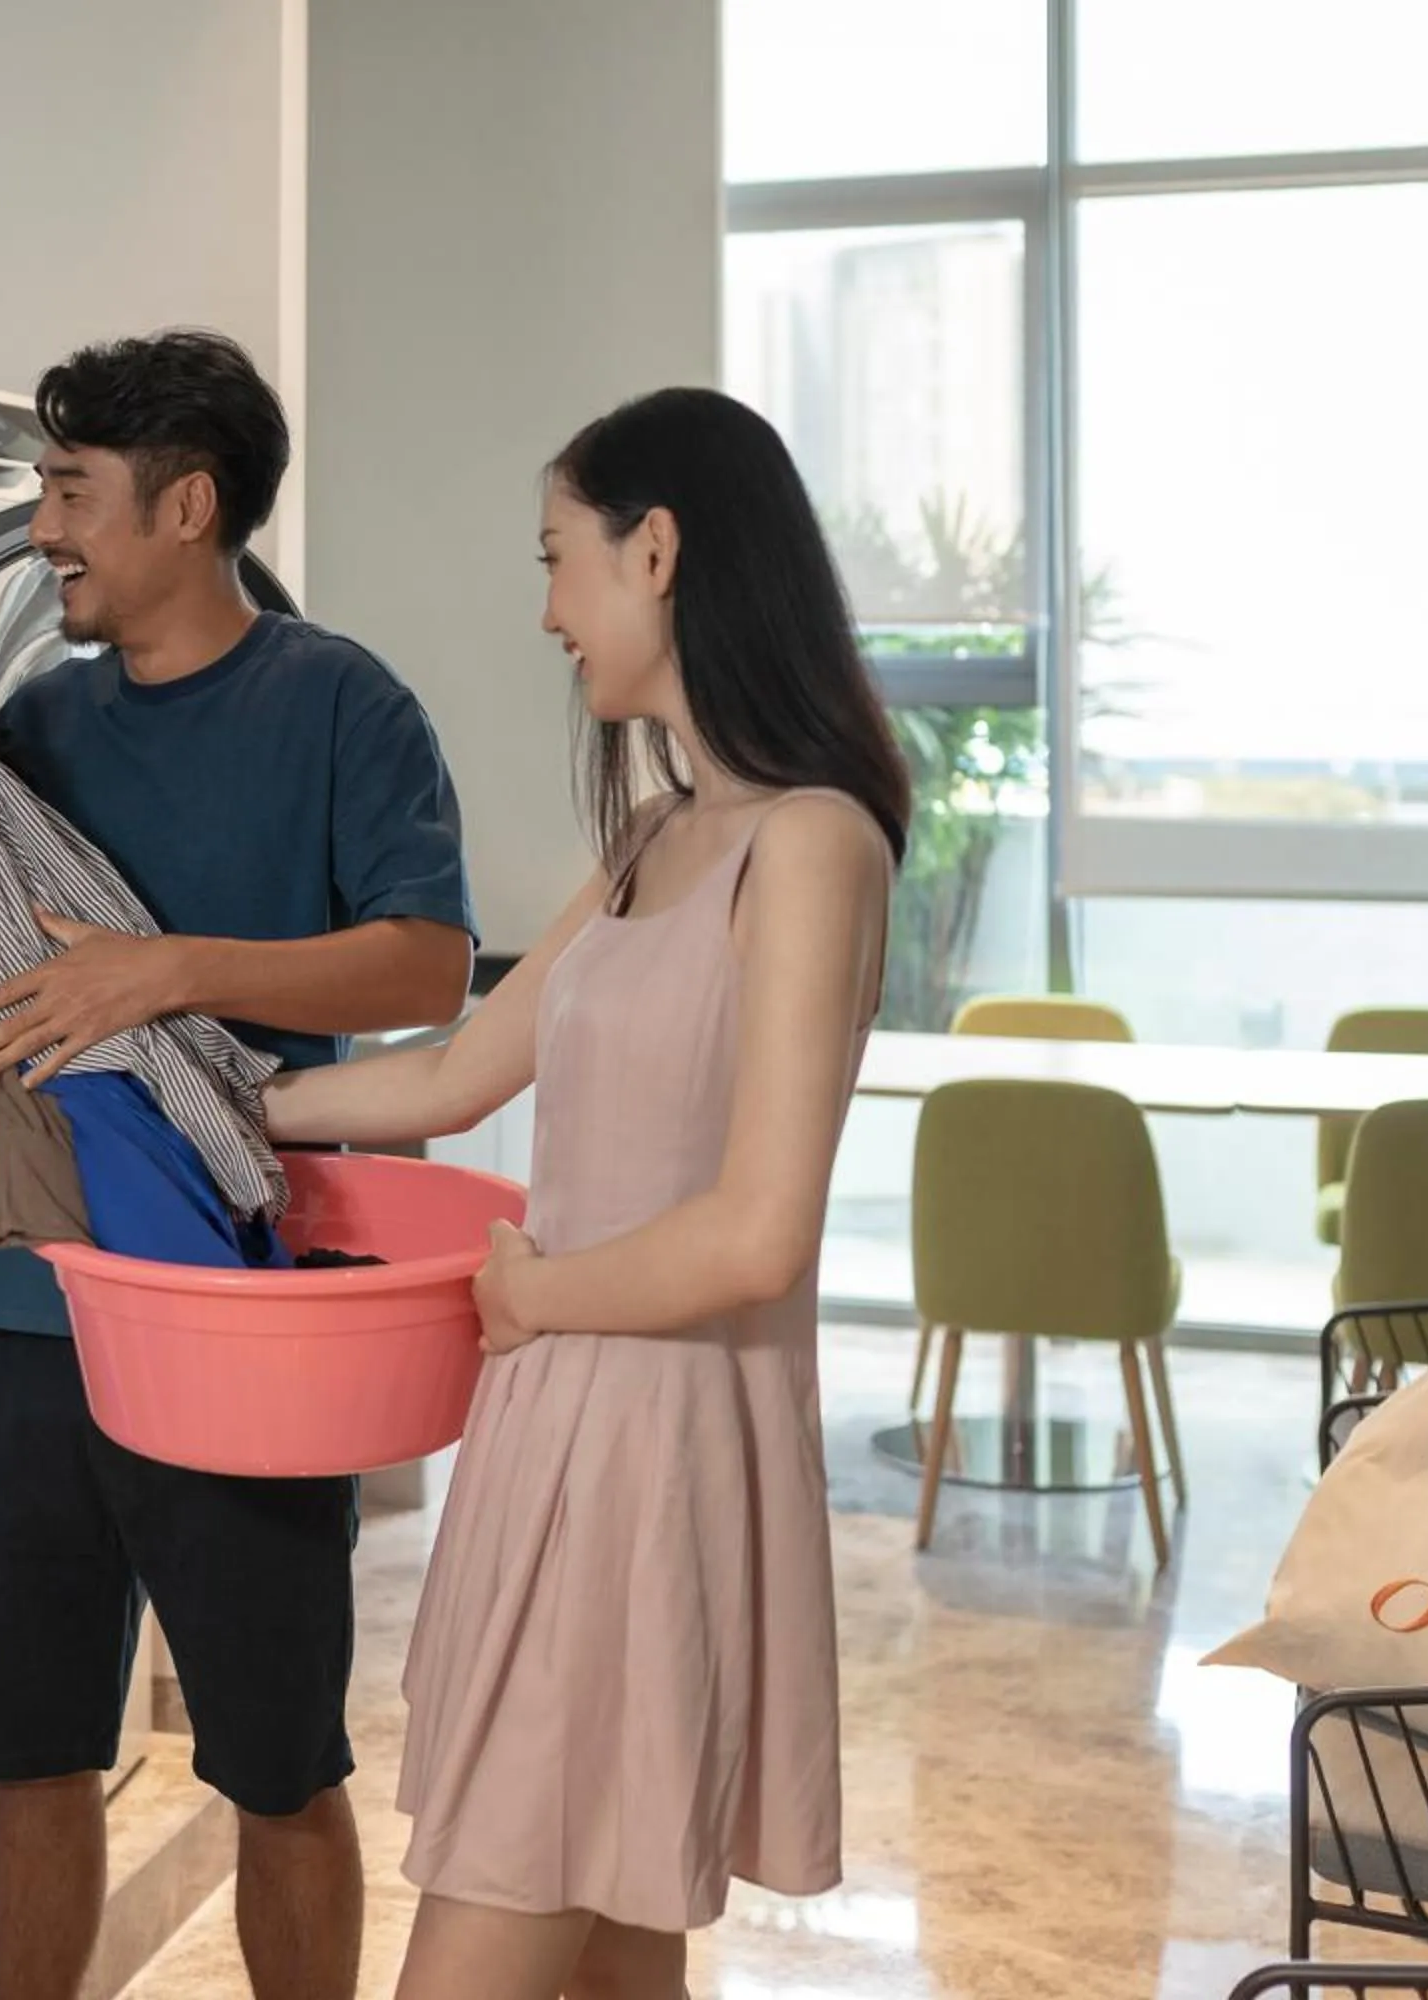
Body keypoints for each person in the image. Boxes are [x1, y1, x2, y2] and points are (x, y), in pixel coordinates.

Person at [0, 329, 473, 2000]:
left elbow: (424, 971)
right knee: (30, 1747)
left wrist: (163, 971)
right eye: (38, 491)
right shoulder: (38, 718)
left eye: (73, 493)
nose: (41, 533)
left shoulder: (339, 703)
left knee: (277, 1761)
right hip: (37, 1296)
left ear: (190, 506)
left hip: (241, 1314)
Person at [262, 387, 911, 2000]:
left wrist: (531, 1290)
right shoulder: (652, 841)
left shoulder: (811, 847)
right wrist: (221, 1099)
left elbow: (760, 1229)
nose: (548, 606)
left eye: (561, 559)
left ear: (660, 548)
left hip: (661, 1450)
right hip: (562, 1431)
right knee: (621, 1963)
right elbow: (448, 1074)